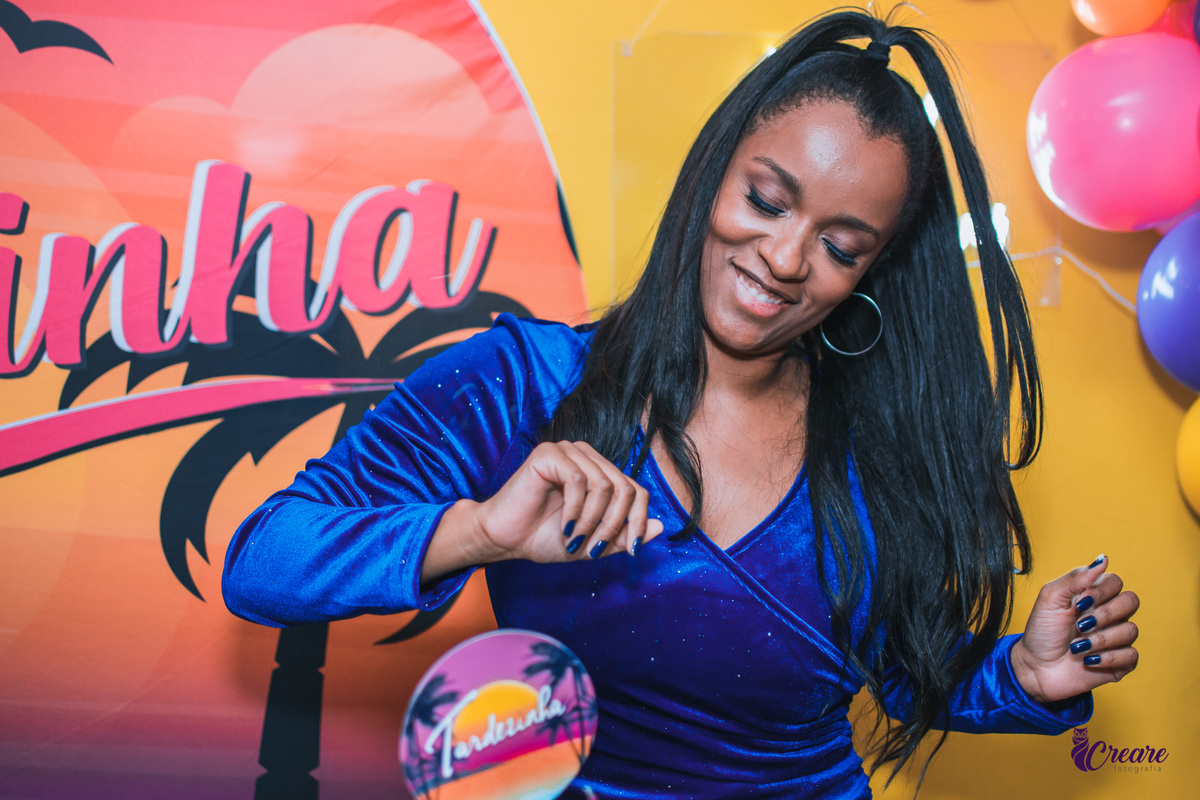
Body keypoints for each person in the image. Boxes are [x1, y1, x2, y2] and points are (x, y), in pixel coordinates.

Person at [223, 10, 1141, 798]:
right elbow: (263, 559)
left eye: (840, 247)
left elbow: (902, 671)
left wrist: (1022, 674)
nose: (785, 258)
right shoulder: (528, 382)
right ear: (713, 172)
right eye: (766, 200)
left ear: (871, 272)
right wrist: (479, 531)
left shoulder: (874, 443)